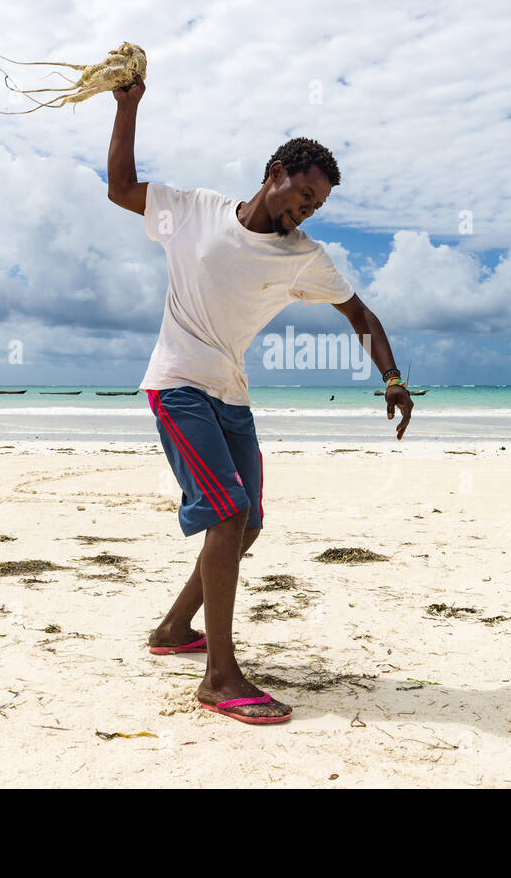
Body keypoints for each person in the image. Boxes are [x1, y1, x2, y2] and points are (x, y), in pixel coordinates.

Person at [107, 75, 413, 724]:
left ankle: (173, 629)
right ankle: (219, 676)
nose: (306, 210)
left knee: (248, 521)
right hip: (178, 383)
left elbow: (362, 315)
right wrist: (128, 108)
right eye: (303, 193)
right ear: (274, 172)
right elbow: (120, 187)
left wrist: (391, 377)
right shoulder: (195, 210)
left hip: (231, 393)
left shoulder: (306, 256)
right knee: (227, 514)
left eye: (316, 204)